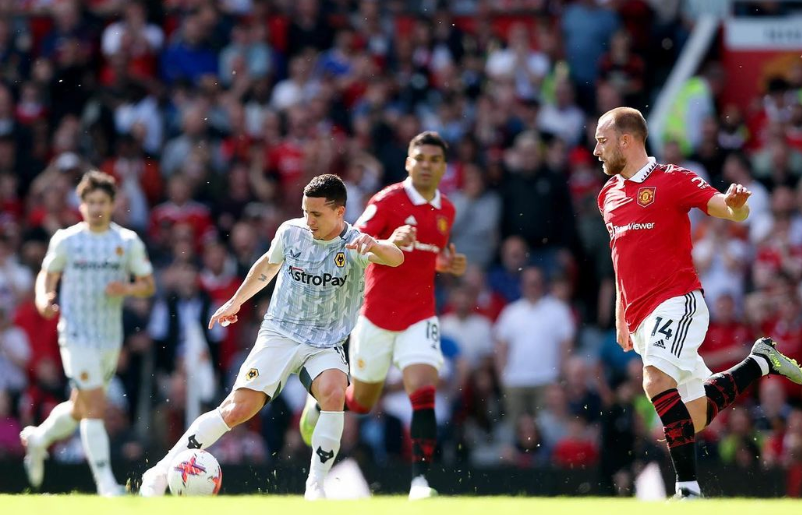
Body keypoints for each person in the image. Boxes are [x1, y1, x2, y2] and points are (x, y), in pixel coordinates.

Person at [138, 174, 403, 500]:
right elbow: (268, 264)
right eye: (306, 211)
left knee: (335, 393)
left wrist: (375, 244)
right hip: (281, 333)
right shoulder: (291, 232)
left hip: (325, 343)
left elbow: (396, 257)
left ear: (339, 211)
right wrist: (236, 301)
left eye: (317, 214)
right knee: (236, 409)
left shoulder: (356, 244)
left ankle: (315, 486)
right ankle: (162, 470)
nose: (309, 220)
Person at [595, 107, 802, 499]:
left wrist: (737, 203)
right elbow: (620, 257)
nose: (595, 150)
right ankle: (761, 361)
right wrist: (622, 312)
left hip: (678, 302)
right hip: (640, 318)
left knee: (654, 380)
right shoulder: (607, 195)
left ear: (627, 140)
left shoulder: (671, 180)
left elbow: (727, 207)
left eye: (602, 140)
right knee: (693, 417)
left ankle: (688, 490)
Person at [299, 131, 467, 499]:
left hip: (420, 316)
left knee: (424, 393)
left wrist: (445, 263)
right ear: (408, 162)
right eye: (419, 158)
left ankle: (421, 483)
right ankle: (321, 400)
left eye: (434, 160)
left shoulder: (447, 210)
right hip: (375, 316)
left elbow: (428, 257)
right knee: (362, 401)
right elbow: (352, 244)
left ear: (443, 167)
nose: (425, 165)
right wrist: (390, 243)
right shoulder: (388, 200)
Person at [20, 171, 156, 496]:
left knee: (82, 406)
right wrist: (43, 299)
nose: (96, 207)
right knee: (95, 405)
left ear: (112, 205)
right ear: (80, 205)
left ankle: (38, 439)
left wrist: (125, 287)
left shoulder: (126, 242)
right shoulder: (67, 240)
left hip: (109, 338)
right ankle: (106, 484)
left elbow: (148, 284)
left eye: (103, 202)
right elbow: (48, 275)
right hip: (75, 335)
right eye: (90, 201)